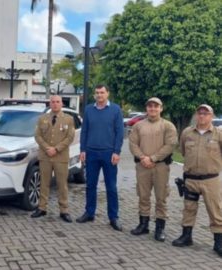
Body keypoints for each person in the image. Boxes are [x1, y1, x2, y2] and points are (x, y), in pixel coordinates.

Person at [172, 104, 222, 257]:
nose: (202, 116)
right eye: (199, 113)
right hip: (191, 179)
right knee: (189, 208)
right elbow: (183, 151)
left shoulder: (218, 134)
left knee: (215, 211)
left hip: (211, 180)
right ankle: (187, 236)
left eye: (205, 113)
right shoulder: (187, 133)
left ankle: (218, 242)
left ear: (211, 116)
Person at [76, 84, 124, 231]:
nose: (99, 95)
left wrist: (116, 152)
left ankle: (113, 217)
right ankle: (89, 213)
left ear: (107, 94)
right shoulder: (89, 109)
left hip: (109, 154)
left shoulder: (115, 110)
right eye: (97, 93)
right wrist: (82, 149)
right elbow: (84, 131)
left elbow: (119, 132)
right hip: (91, 153)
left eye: (102, 92)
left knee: (111, 187)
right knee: (90, 185)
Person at [129, 97, 177, 241]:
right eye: (150, 106)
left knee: (161, 197)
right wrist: (143, 157)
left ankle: (160, 228)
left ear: (161, 108)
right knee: (143, 196)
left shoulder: (168, 126)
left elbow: (170, 145)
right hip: (142, 166)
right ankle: (143, 225)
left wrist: (153, 158)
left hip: (161, 167)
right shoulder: (138, 126)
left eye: (156, 106)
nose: (153, 109)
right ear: (146, 109)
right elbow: (132, 144)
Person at [31, 95, 75, 222]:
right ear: (50, 104)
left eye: (57, 102)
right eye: (53, 102)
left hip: (61, 157)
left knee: (62, 184)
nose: (55, 104)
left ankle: (64, 210)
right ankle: (42, 208)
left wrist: (56, 149)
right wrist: (47, 148)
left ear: (62, 104)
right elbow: (37, 136)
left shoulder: (68, 119)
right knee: (44, 183)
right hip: (45, 156)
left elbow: (70, 137)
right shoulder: (42, 119)